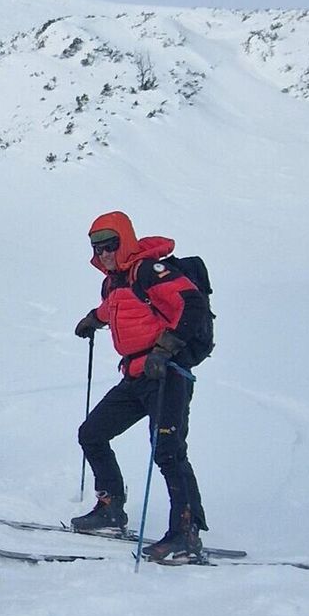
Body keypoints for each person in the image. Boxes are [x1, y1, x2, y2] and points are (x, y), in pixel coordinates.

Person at [71, 211, 210, 562]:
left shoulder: (150, 271)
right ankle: (111, 507)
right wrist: (94, 319)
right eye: (97, 247)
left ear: (125, 240)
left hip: (167, 374)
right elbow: (117, 308)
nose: (103, 253)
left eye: (109, 245)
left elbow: (191, 304)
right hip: (135, 375)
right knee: (92, 433)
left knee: (168, 451)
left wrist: (166, 348)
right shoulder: (116, 280)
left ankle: (185, 533)